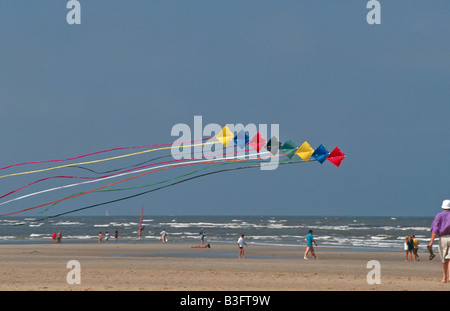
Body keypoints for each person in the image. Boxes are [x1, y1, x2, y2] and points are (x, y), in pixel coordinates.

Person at [429, 199, 450, 283]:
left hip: (443, 238)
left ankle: (444, 277)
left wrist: (431, 241)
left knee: (444, 259)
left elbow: (435, 229)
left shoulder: (439, 216)